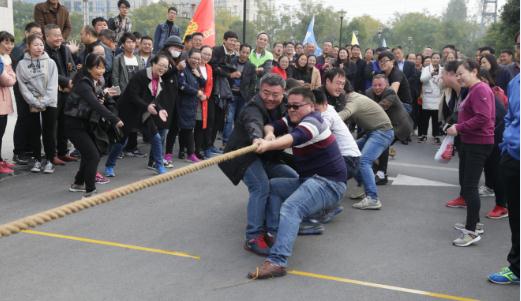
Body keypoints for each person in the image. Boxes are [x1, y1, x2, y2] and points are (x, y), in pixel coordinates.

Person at [246, 87, 347, 279]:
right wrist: (268, 134)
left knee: (292, 207)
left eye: (296, 106)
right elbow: (272, 125)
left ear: (310, 106)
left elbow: (293, 139)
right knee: (274, 186)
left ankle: (277, 261)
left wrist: (268, 145)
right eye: (289, 105)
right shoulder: (293, 119)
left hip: (329, 183)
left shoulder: (314, 121)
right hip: (309, 180)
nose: (291, 109)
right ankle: (276, 235)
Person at [218, 73, 298, 256]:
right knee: (260, 186)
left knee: (291, 178)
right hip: (243, 155)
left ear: (283, 93)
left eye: (275, 94)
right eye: (266, 93)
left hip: (267, 155)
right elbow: (253, 122)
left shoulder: (287, 104)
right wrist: (256, 138)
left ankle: (273, 228)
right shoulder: (253, 106)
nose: (270, 98)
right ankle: (253, 236)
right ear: (260, 90)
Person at [446, 59, 495, 247]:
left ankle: (471, 231)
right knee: (467, 186)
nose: (459, 77)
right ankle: (474, 223)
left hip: (478, 143)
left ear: (474, 71)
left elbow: (483, 118)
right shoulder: (474, 89)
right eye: (456, 74)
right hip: (470, 142)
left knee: (470, 187)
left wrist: (458, 127)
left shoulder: (481, 89)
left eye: (461, 73)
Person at [64, 54, 123, 198]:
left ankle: (78, 183)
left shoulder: (93, 82)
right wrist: (115, 119)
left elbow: (96, 101)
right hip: (74, 125)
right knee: (93, 155)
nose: (101, 71)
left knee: (89, 154)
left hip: (85, 124)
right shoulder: (84, 84)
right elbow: (95, 105)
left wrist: (104, 93)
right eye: (98, 67)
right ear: (89, 68)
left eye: (103, 67)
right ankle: (90, 190)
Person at [335, 69, 394, 209]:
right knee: (352, 153)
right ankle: (364, 186)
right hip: (374, 132)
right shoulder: (354, 97)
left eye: (339, 90)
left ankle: (373, 198)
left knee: (364, 161)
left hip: (382, 132)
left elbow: (343, 115)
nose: (337, 94)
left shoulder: (353, 100)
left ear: (344, 90)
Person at [488, 32, 519, 284]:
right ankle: (517, 267)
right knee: (516, 218)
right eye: (519, 44)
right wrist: (507, 143)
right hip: (512, 157)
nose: (520, 49)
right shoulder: (515, 82)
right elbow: (509, 117)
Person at [108, 54, 172, 176]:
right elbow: (133, 96)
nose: (163, 69)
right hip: (128, 111)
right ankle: (109, 166)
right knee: (122, 141)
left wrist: (160, 110)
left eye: (165, 67)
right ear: (153, 64)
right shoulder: (140, 76)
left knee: (156, 137)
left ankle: (159, 165)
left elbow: (155, 99)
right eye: (161, 65)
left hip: (144, 113)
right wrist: (147, 106)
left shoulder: (160, 80)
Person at [16, 34, 59, 174]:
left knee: (49, 131)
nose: (39, 47)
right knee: (34, 131)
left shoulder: (50, 62)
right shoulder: (22, 65)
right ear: (28, 46)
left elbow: (53, 85)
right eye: (35, 45)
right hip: (31, 103)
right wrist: (34, 101)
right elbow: (23, 87)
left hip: (50, 102)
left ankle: (50, 159)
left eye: (41, 44)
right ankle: (37, 159)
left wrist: (44, 100)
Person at [365, 74, 413, 184]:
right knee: (375, 141)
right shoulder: (368, 92)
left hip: (400, 125)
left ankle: (382, 174)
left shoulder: (390, 92)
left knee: (382, 142)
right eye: (374, 85)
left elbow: (378, 108)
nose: (377, 87)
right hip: (385, 125)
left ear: (386, 84)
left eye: (380, 85)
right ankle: (376, 169)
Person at [44, 24, 78, 164]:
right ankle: (51, 156)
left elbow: (73, 68)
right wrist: (66, 82)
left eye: (60, 35)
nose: (59, 38)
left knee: (65, 123)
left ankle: (63, 152)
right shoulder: (43, 51)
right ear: (47, 36)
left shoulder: (65, 49)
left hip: (66, 93)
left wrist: (71, 82)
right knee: (51, 126)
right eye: (55, 35)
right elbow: (48, 72)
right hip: (51, 93)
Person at [10, 23, 43, 166]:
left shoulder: (39, 48)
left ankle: (30, 149)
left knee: (34, 118)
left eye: (40, 33)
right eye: (34, 33)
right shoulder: (18, 50)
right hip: (22, 88)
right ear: (26, 33)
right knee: (24, 118)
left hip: (36, 89)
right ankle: (19, 151)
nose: (37, 36)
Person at [477, 69, 508, 219]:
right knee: (490, 168)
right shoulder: (474, 91)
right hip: (490, 135)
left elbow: (502, 115)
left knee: (497, 171)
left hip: (497, 136)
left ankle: (502, 205)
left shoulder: (485, 92)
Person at [207, 31, 238, 155]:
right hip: (214, 91)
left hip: (225, 93)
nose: (233, 43)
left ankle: (211, 145)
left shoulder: (234, 55)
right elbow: (214, 68)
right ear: (224, 40)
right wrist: (229, 74)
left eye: (235, 41)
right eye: (231, 40)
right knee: (211, 120)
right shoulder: (217, 51)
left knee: (219, 121)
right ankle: (206, 147)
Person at [223, 44, 256, 148]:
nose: (244, 54)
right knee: (229, 119)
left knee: (239, 120)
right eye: (243, 52)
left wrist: (249, 98)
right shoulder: (231, 62)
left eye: (247, 53)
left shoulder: (251, 66)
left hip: (243, 97)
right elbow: (225, 76)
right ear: (239, 51)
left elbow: (252, 84)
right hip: (231, 95)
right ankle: (226, 142)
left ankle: (236, 142)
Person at [177, 49, 206, 162]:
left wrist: (199, 76)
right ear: (188, 58)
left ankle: (183, 152)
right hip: (183, 103)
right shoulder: (183, 69)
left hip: (193, 104)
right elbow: (182, 86)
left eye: (198, 59)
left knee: (187, 128)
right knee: (187, 129)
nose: (196, 61)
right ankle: (190, 153)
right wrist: (197, 92)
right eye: (194, 58)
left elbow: (203, 83)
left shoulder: (195, 70)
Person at [0, 32, 16, 174]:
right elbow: (8, 80)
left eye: (11, 43)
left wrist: (10, 75)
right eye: (6, 42)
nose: (9, 46)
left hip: (4, 101)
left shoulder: (6, 59)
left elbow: (11, 77)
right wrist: (10, 75)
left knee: (2, 132)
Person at [418, 52, 443, 143]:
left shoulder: (442, 69)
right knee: (425, 117)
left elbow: (444, 83)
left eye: (437, 58)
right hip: (428, 96)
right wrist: (431, 74)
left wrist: (438, 80)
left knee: (436, 118)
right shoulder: (426, 69)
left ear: (440, 59)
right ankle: (424, 134)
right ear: (431, 59)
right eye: (434, 58)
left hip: (438, 96)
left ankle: (436, 135)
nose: (436, 59)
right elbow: (422, 79)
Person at [194, 45, 213, 159]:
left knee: (200, 125)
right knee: (191, 124)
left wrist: (206, 96)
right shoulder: (194, 65)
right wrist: (198, 93)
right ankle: (186, 149)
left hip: (204, 100)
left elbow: (210, 84)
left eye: (209, 55)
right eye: (205, 53)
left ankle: (197, 149)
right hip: (193, 97)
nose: (207, 56)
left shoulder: (209, 67)